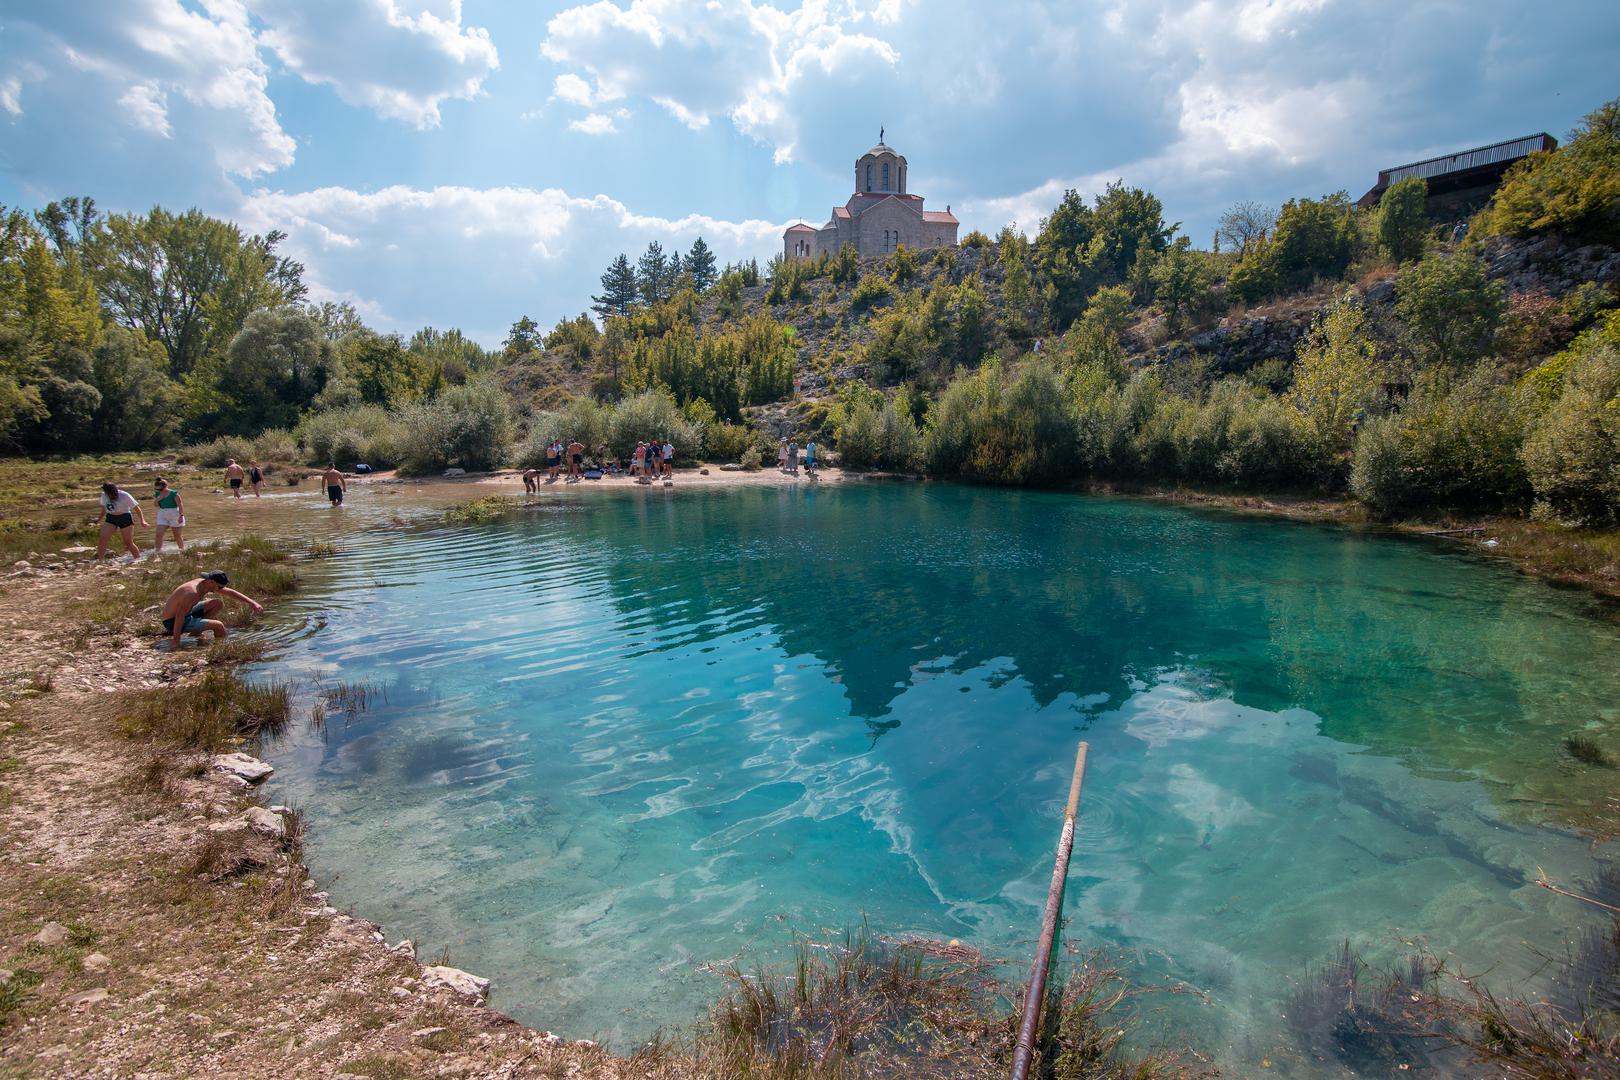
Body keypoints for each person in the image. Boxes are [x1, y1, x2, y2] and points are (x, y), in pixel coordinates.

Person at [159, 571, 263, 650]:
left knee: (217, 603)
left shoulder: (203, 583)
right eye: (219, 587)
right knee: (219, 626)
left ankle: (196, 632)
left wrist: (253, 603)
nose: (220, 589)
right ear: (211, 581)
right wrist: (176, 641)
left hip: (187, 613)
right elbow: (179, 615)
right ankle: (219, 648)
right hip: (171, 621)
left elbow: (230, 592)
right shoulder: (192, 592)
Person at [96, 482, 147, 563]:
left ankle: (138, 560)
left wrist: (142, 520)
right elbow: (104, 509)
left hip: (125, 518)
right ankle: (100, 561)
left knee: (128, 542)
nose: (107, 495)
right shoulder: (104, 495)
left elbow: (137, 508)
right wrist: (99, 519)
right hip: (111, 518)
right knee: (103, 539)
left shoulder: (124, 495)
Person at [152, 477, 186, 553]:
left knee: (177, 535)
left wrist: (181, 516)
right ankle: (158, 552)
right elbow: (156, 505)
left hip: (175, 514)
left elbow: (180, 505)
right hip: (162, 513)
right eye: (157, 489)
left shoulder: (174, 494)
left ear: (165, 486)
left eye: (160, 489)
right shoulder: (157, 494)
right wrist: (157, 499)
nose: (158, 491)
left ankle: (182, 551)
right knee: (159, 533)